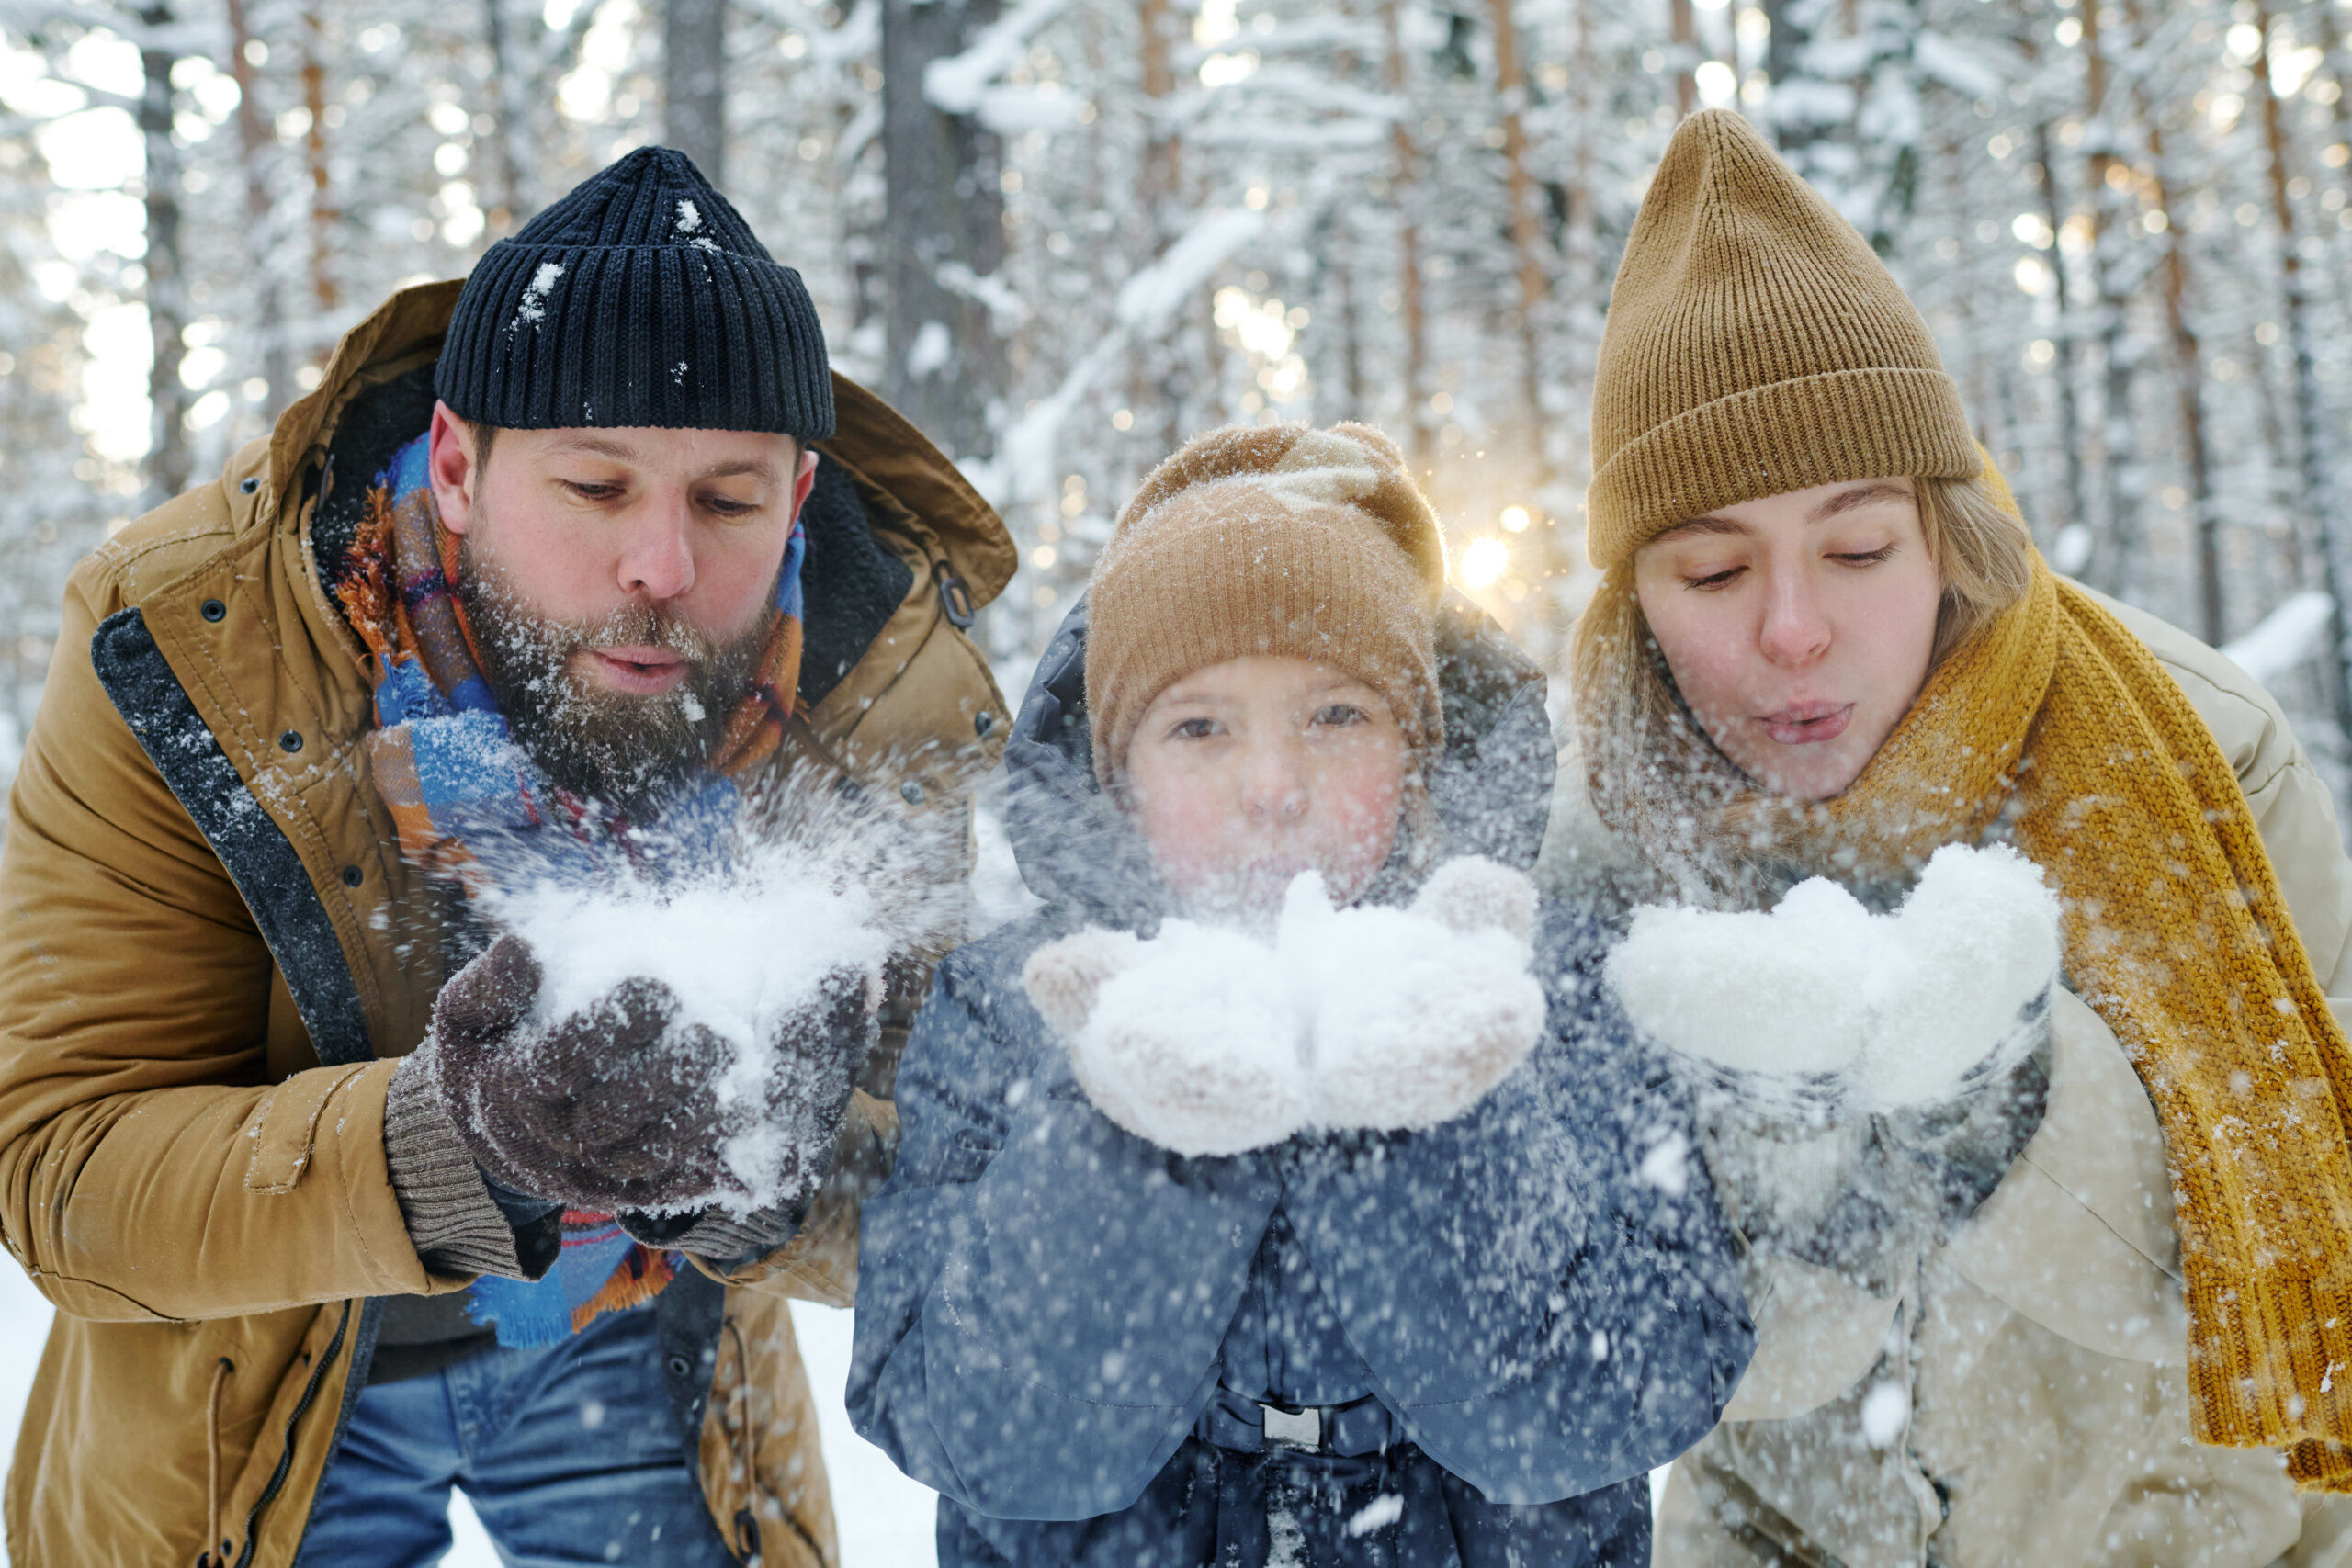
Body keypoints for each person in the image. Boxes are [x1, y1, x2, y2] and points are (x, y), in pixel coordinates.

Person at [0, 147, 1014, 1567]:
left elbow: (955, 1192)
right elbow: (62, 1168)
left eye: (727, 501)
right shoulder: (186, 642)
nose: (661, 563)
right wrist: (452, 1142)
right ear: (461, 467)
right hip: (264, 1361)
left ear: (797, 500)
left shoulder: (873, 684)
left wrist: (775, 1165)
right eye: (596, 485)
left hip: (649, 1339)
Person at [1544, 107, 2352, 1566]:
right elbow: (1629, 1366)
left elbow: (2309, 1228)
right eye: (1713, 568)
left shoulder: (2201, 759)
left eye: (1858, 548)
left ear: (1946, 540)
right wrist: (1790, 1164)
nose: (1795, 629)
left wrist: (2015, 1104)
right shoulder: (1604, 834)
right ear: (1637, 603)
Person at [847, 422, 1755, 1566]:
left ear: (1416, 752)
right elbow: (977, 1433)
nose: (1273, 785)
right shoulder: (1011, 1011)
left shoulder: (1546, 985)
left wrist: (1434, 1119)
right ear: (1119, 778)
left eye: (1336, 715)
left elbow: (1633, 1395)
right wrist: (1132, 1134)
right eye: (1199, 727)